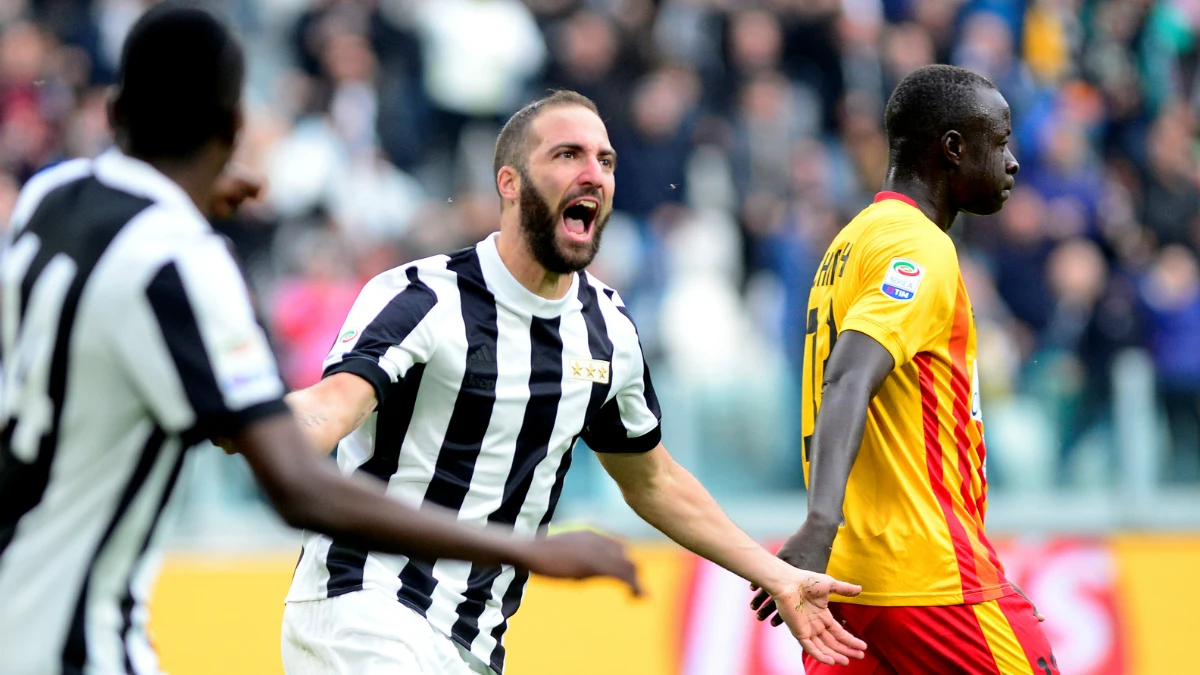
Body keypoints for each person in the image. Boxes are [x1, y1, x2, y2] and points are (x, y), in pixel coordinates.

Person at [0, 6, 643, 674]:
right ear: (232, 129)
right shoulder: (186, 265)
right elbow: (299, 486)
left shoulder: (49, 199)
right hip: (74, 639)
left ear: (114, 110)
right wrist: (527, 551)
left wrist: (193, 189)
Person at [277, 89, 868, 675]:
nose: (593, 174)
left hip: (471, 641)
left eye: (605, 161)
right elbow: (333, 406)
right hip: (362, 607)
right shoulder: (422, 297)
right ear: (509, 183)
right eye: (567, 155)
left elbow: (653, 479)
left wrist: (776, 574)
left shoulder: (607, 330)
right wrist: (259, 425)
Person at [749, 64, 1059, 674]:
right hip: (930, 577)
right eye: (999, 143)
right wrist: (817, 522)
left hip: (849, 591)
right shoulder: (920, 247)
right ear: (953, 149)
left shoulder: (846, 245)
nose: (1013, 162)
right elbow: (850, 375)